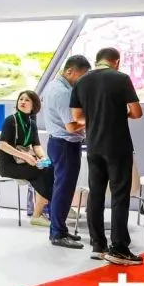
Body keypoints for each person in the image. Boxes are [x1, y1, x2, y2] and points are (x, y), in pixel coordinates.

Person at [70, 47, 143, 265]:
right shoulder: (121, 78)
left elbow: (77, 117)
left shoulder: (82, 81)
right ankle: (119, 248)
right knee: (119, 195)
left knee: (96, 194)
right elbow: (137, 112)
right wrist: (119, 113)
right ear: (116, 61)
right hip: (118, 145)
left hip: (93, 145)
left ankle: (98, 245)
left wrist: (95, 117)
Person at [40, 54, 92, 249]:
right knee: (63, 190)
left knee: (62, 189)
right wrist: (95, 118)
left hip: (61, 144)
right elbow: (71, 126)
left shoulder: (59, 87)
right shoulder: (61, 92)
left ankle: (59, 229)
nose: (83, 80)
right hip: (65, 145)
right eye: (82, 75)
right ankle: (58, 233)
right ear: (70, 71)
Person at [0, 90, 54, 227]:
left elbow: (36, 145)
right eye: (21, 99)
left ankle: (47, 210)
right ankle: (40, 213)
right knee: (43, 172)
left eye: (27, 100)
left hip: (23, 163)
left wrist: (42, 158)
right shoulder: (11, 120)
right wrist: (26, 156)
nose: (22, 102)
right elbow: (3, 145)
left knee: (49, 168)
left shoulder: (32, 124)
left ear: (34, 105)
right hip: (8, 165)